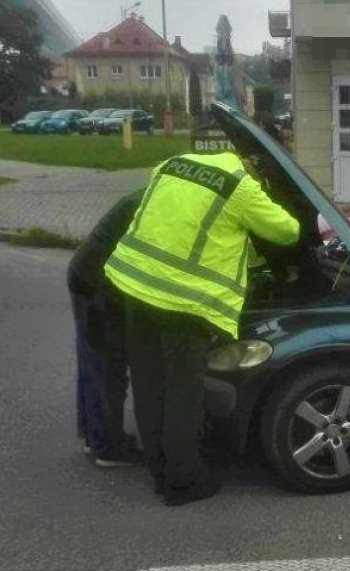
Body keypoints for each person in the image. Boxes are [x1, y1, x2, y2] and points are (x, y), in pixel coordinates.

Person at [104, 151, 300, 506]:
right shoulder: (240, 186)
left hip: (134, 285)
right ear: (249, 167)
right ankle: (184, 482)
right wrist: (266, 197)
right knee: (184, 392)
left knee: (150, 385)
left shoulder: (171, 163)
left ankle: (160, 472)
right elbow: (287, 231)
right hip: (184, 301)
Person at [68, 189, 145, 467]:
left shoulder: (152, 193)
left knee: (93, 365)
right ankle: (108, 447)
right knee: (107, 367)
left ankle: (95, 437)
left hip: (85, 275)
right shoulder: (156, 204)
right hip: (97, 285)